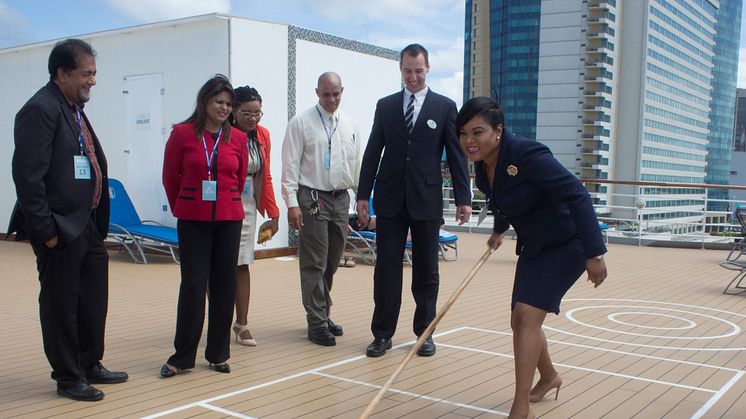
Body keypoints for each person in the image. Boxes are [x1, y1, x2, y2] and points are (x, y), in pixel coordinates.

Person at [457, 97, 608, 419]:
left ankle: (520, 406)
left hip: (568, 243)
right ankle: (550, 377)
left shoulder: (528, 155)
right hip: (534, 246)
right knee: (520, 320)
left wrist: (595, 253)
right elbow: (505, 200)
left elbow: (577, 194)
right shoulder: (484, 168)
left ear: (498, 131)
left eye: (477, 132)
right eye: (464, 134)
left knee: (526, 317)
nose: (469, 141)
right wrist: (499, 229)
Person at [8, 39, 128, 402]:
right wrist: (46, 232)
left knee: (93, 299)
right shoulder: (40, 109)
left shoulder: (72, 107)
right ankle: (68, 375)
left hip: (86, 223)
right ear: (61, 73)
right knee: (61, 304)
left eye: (94, 73)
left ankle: (89, 362)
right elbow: (28, 177)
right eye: (86, 73)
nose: (92, 80)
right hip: (59, 227)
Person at [356, 44, 472, 358]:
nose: (413, 77)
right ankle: (382, 335)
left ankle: (425, 334)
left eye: (418, 71)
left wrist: (464, 198)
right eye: (408, 71)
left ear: (428, 68)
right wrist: (363, 195)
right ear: (401, 69)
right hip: (390, 199)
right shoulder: (386, 106)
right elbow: (372, 152)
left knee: (426, 271)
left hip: (427, 200)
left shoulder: (445, 106)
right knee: (386, 270)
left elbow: (457, 155)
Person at [160, 75, 248, 377]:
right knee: (194, 285)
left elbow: (237, 180)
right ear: (204, 102)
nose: (224, 108)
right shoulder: (182, 134)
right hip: (193, 220)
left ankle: (218, 353)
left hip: (228, 219)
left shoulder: (237, 138)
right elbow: (170, 176)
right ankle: (183, 356)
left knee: (225, 285)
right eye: (218, 102)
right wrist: (182, 206)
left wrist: (226, 202)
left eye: (228, 104)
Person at [281, 72, 363, 346]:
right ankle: (316, 321)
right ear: (317, 92)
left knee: (332, 259)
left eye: (336, 93)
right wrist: (292, 203)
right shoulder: (300, 123)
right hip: (312, 197)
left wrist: (360, 199)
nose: (331, 99)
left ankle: (323, 313)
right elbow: (290, 166)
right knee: (314, 261)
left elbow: (357, 166)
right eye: (326, 94)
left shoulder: (350, 124)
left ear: (343, 91)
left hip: (340, 199)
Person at [229, 86, 280, 347]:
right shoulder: (224, 133)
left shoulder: (262, 135)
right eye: (246, 112)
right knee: (219, 264)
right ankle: (218, 319)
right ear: (233, 110)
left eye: (257, 113)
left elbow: (266, 175)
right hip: (224, 200)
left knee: (242, 262)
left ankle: (242, 323)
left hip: (248, 201)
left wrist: (274, 213)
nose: (252, 118)